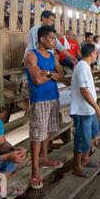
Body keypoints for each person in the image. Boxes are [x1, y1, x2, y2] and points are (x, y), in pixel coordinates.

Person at [24, 25, 64, 189]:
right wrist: (52, 75)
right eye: (52, 38)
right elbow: (37, 80)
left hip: (53, 97)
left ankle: (44, 158)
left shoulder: (53, 56)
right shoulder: (31, 55)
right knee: (37, 134)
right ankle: (35, 168)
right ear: (42, 39)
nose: (55, 41)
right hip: (39, 98)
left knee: (46, 131)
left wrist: (47, 73)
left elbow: (62, 75)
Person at [70, 43, 100, 178]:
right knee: (80, 139)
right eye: (96, 52)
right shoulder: (82, 67)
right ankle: (77, 167)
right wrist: (97, 107)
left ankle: (86, 158)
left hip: (88, 110)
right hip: (82, 111)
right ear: (92, 53)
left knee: (92, 132)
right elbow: (84, 90)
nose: (97, 55)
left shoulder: (85, 66)